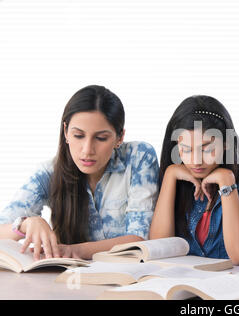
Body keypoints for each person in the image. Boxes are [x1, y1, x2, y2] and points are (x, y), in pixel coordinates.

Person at [0, 85, 159, 260]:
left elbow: (140, 238)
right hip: (71, 280)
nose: (87, 150)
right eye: (78, 135)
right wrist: (26, 224)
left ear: (119, 137)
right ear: (66, 132)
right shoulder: (49, 173)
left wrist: (74, 251)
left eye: (101, 138)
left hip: (130, 275)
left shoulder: (138, 157)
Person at [149, 95, 239, 265]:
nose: (196, 161)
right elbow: (160, 249)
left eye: (206, 149)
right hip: (185, 282)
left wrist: (226, 180)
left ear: (226, 142)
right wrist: (170, 175)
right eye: (186, 150)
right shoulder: (174, 176)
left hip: (233, 284)